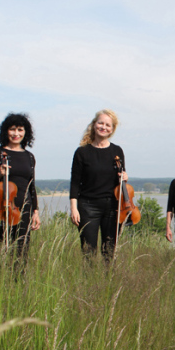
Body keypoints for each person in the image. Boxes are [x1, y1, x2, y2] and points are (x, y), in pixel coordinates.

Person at [69, 109, 127, 260]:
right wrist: (74, 208)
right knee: (88, 251)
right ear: (94, 124)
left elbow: (121, 179)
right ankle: (90, 275)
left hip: (112, 206)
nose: (103, 127)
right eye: (101, 123)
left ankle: (108, 275)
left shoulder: (117, 151)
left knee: (109, 251)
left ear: (112, 129)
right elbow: (75, 182)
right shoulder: (82, 152)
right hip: (88, 206)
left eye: (108, 125)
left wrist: (125, 177)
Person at [0, 113, 41, 258]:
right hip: (1, 209)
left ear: (25, 132)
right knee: (3, 251)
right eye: (12, 129)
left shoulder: (29, 157)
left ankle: (19, 274)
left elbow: (31, 186)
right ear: (6, 131)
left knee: (22, 252)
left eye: (20, 130)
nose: (16, 134)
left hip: (24, 209)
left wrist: (35, 212)